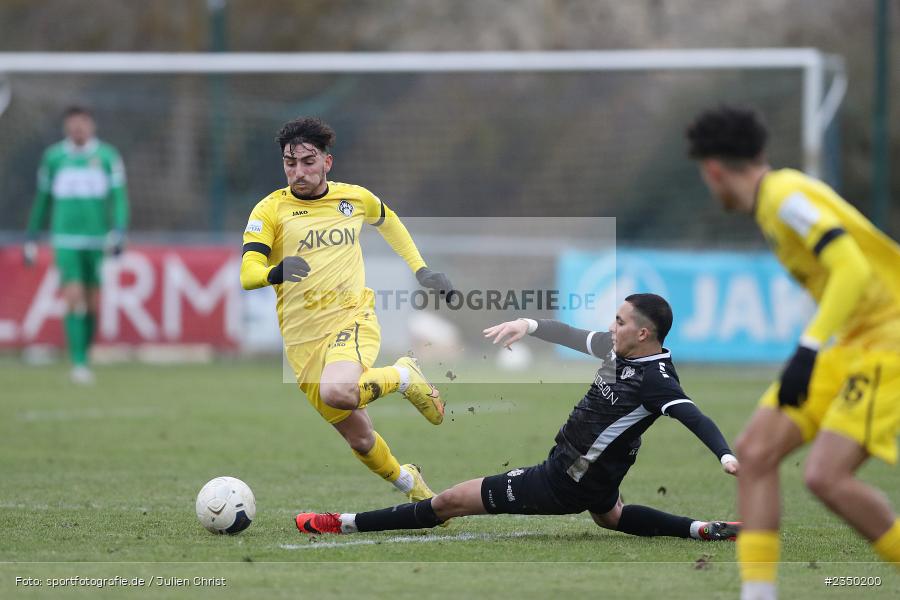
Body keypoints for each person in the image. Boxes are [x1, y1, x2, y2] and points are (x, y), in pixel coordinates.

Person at [295, 294, 741, 541]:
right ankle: (702, 530)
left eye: (620, 321)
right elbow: (572, 334)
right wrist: (528, 325)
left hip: (564, 480)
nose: (611, 327)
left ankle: (345, 522)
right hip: (598, 474)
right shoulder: (618, 349)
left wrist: (724, 455)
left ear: (643, 333)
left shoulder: (656, 381)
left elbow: (693, 416)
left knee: (448, 502)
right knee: (610, 516)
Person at [686, 106, 900, 600]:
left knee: (827, 476)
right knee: (756, 452)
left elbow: (851, 268)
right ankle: (758, 594)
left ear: (713, 170)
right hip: (852, 342)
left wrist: (807, 347)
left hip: (888, 341)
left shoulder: (784, 199)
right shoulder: (775, 201)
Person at [240, 117, 453, 503]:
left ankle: (403, 375)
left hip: (351, 318)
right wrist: (274, 271)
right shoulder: (269, 211)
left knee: (338, 392)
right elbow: (247, 272)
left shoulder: (353, 199)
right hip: (302, 344)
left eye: (308, 162)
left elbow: (389, 222)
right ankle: (412, 485)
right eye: (290, 163)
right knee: (360, 438)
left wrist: (421, 269)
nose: (299, 172)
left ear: (327, 162)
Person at [24, 105, 129, 384]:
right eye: (72, 124)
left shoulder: (107, 157)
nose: (77, 129)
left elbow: (119, 198)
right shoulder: (54, 158)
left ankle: (85, 353)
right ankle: (78, 363)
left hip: (96, 239)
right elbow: (43, 200)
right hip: (65, 239)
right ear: (66, 128)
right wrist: (31, 236)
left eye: (82, 124)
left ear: (91, 126)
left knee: (93, 303)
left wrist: (119, 230)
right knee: (73, 297)